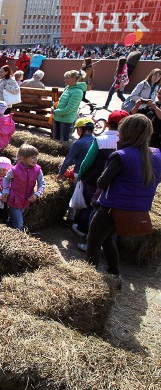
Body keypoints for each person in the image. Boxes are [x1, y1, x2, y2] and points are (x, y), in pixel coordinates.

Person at [86, 114, 161, 284]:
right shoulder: (156, 154)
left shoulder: (121, 155)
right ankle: (114, 274)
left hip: (112, 207)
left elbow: (102, 182)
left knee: (93, 240)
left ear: (126, 132)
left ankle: (88, 277)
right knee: (107, 239)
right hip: (138, 209)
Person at [75, 110, 128, 242]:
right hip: (114, 185)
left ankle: (83, 231)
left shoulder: (101, 139)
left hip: (95, 180)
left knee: (88, 207)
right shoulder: (128, 142)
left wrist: (81, 175)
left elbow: (88, 161)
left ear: (108, 124)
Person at [2, 144, 46, 231]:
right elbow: (6, 179)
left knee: (13, 218)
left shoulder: (37, 170)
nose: (36, 159)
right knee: (19, 223)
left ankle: (7, 228)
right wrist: (6, 191)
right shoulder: (15, 170)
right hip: (14, 200)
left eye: (36, 157)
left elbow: (42, 184)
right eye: (32, 157)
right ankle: (19, 238)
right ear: (23, 158)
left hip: (26, 200)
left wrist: (37, 194)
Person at [52, 70, 86, 142]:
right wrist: (54, 106)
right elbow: (61, 102)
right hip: (57, 117)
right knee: (55, 140)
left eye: (67, 78)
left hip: (65, 120)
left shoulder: (78, 92)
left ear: (74, 79)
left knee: (63, 141)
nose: (65, 80)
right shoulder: (68, 88)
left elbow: (68, 109)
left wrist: (55, 111)